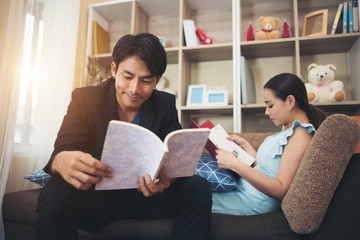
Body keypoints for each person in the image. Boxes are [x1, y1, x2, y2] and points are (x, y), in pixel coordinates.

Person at [36, 33, 212, 240]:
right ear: (114, 69)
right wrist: (61, 161)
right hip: (94, 197)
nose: (134, 89)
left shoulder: (164, 104)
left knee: (198, 187)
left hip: (144, 196)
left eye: (146, 81)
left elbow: (173, 156)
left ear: (157, 80)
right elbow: (64, 148)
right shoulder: (85, 98)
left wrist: (167, 179)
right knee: (54, 191)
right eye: (127, 77)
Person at [211, 73, 327, 215]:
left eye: (270, 105)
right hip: (244, 191)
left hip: (251, 200)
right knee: (196, 189)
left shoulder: (301, 134)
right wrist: (246, 147)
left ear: (290, 101)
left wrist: (235, 164)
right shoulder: (288, 128)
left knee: (194, 197)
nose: (267, 112)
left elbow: (281, 189)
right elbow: (270, 169)